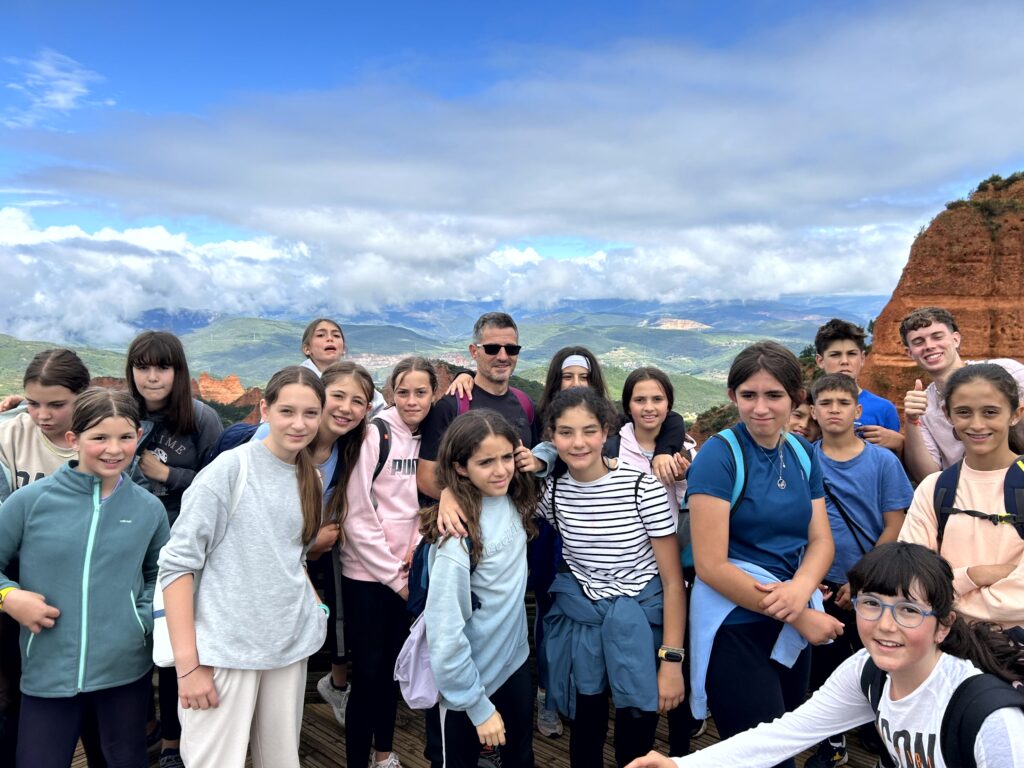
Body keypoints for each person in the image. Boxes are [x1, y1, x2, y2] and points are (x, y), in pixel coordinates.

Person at [625, 542, 1024, 768]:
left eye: (908, 611)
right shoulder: (868, 672)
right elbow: (787, 734)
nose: (885, 625)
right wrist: (680, 765)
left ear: (943, 624)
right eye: (871, 604)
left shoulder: (989, 718)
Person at [158, 366, 328, 768]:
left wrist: (315, 609)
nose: (299, 424)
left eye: (310, 413)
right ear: (265, 409)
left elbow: (293, 555)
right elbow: (176, 566)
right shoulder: (228, 471)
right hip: (225, 651)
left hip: (287, 646)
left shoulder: (311, 479)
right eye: (287, 411)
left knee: (282, 760)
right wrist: (188, 667)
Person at [686, 341, 842, 768]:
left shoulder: (801, 452)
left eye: (774, 395)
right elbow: (712, 565)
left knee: (787, 740)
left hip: (790, 609)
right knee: (765, 758)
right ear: (732, 396)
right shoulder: (719, 456)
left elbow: (820, 540)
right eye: (748, 395)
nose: (760, 408)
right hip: (736, 622)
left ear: (795, 398)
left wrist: (801, 591)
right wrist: (798, 612)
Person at [0, 388, 169, 768]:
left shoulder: (148, 509)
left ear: (138, 436)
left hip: (125, 671)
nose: (114, 449)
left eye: (126, 436)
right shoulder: (31, 502)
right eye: (99, 438)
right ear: (74, 439)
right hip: (46, 668)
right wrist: (9, 597)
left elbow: (161, 575)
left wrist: (138, 620)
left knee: (122, 760)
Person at [539, 387, 686, 767]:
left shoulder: (642, 488)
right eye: (565, 432)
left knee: (635, 735)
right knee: (585, 728)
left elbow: (672, 582)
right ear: (551, 438)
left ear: (606, 432)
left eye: (589, 431)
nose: (578, 442)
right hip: (586, 624)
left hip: (641, 623)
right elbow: (489, 485)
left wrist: (671, 661)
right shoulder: (552, 494)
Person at [124, 330, 223, 767]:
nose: (151, 376)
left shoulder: (201, 420)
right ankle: (142, 727)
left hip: (180, 548)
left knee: (170, 640)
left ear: (177, 372)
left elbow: (216, 486)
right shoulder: (120, 412)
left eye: (162, 367)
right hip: (125, 545)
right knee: (130, 638)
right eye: (142, 367)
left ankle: (172, 743)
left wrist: (167, 476)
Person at [804, 373, 913, 768]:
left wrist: (861, 579)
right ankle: (833, 741)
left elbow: (895, 524)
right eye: (826, 403)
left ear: (858, 410)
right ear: (813, 410)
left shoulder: (882, 461)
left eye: (843, 403)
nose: (834, 410)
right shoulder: (804, 460)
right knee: (826, 671)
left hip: (874, 585)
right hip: (820, 586)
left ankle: (882, 736)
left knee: (881, 666)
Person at [420, 410, 538, 768]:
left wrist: (538, 458)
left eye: (507, 458)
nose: (501, 470)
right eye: (485, 462)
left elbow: (556, 449)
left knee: (520, 758)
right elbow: (444, 633)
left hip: (513, 663)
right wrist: (476, 703)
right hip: (466, 685)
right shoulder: (456, 538)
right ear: (460, 467)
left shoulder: (515, 497)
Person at [340, 357, 436, 768]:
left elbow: (418, 507)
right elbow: (356, 513)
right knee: (367, 676)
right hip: (367, 576)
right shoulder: (373, 435)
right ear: (391, 393)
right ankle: (358, 760)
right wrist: (397, 578)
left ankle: (384, 753)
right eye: (403, 392)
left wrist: (414, 555)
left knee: (392, 673)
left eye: (421, 392)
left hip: (407, 573)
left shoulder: (428, 438)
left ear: (435, 395)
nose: (412, 401)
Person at [0, 348, 93, 765]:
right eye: (33, 403)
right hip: (19, 578)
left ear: (83, 396)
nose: (43, 415)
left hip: (83, 578)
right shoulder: (11, 433)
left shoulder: (101, 440)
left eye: (57, 404)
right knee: (19, 684)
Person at [899, 363, 1024, 629]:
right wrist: (975, 575)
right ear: (947, 415)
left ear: (1016, 414)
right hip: (952, 656)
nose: (977, 425)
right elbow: (911, 580)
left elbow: (925, 595)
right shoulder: (934, 489)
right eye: (964, 412)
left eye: (990, 412)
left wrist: (946, 598)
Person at [418, 312, 538, 502]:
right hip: (470, 525)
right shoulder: (451, 406)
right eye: (492, 349)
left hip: (519, 525)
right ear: (474, 351)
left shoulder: (526, 404)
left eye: (511, 349)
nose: (503, 356)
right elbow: (426, 476)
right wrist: (456, 503)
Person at [900, 307, 1024, 482]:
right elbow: (927, 476)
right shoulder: (924, 406)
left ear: (956, 339)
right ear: (909, 352)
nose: (929, 346)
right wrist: (912, 421)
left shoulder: (1009, 372)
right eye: (918, 341)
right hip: (966, 495)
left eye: (937, 336)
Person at [813, 318, 903, 454]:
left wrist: (900, 442)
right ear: (820, 361)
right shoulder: (809, 404)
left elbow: (897, 461)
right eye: (835, 355)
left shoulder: (884, 408)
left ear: (862, 359)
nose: (844, 361)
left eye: (851, 354)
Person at [299, 317, 387, 414]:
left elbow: (381, 409)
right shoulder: (298, 379)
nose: (330, 339)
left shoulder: (354, 377)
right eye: (320, 335)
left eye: (336, 335)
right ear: (307, 349)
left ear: (343, 349)